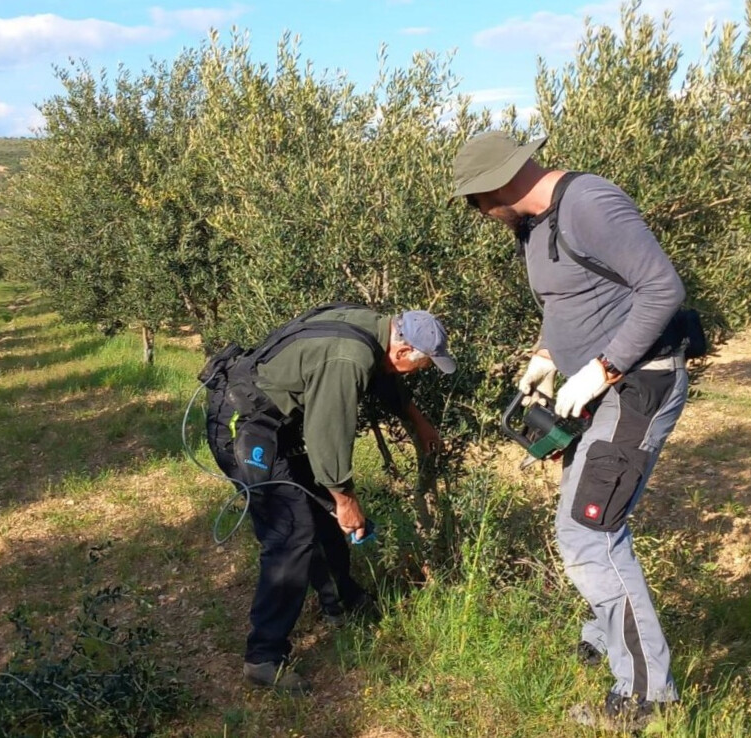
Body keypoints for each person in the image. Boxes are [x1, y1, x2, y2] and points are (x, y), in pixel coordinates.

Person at [452, 131, 689, 730]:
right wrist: (546, 355)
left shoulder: (589, 203)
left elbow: (663, 288)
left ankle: (646, 699)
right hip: (597, 393)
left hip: (638, 385)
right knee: (583, 518)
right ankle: (606, 638)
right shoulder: (534, 227)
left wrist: (604, 368)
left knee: (589, 531)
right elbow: (567, 301)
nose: (478, 214)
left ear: (498, 185)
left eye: (476, 202)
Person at [202, 303, 453, 693]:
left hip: (274, 424)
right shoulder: (348, 358)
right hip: (242, 426)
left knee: (320, 517)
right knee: (290, 535)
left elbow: (386, 375)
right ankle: (264, 657)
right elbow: (326, 437)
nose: (418, 373)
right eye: (420, 366)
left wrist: (419, 421)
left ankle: (341, 601)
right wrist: (345, 498)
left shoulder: (374, 328)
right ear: (403, 349)